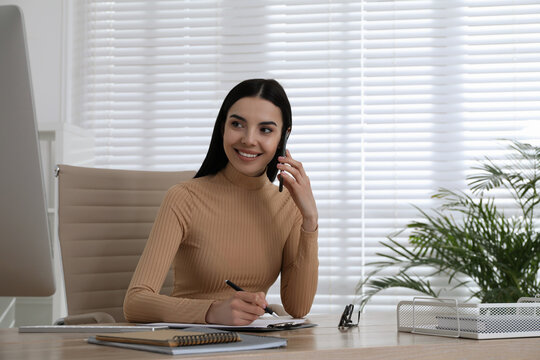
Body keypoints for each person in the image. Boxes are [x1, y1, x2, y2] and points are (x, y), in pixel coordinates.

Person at [123, 79, 319, 325]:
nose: (248, 139)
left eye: (265, 130)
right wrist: (212, 312)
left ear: (284, 136)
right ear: (222, 127)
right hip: (191, 345)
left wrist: (310, 221)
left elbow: (298, 308)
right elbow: (135, 302)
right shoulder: (184, 198)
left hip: (256, 347)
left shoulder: (287, 206)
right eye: (237, 124)